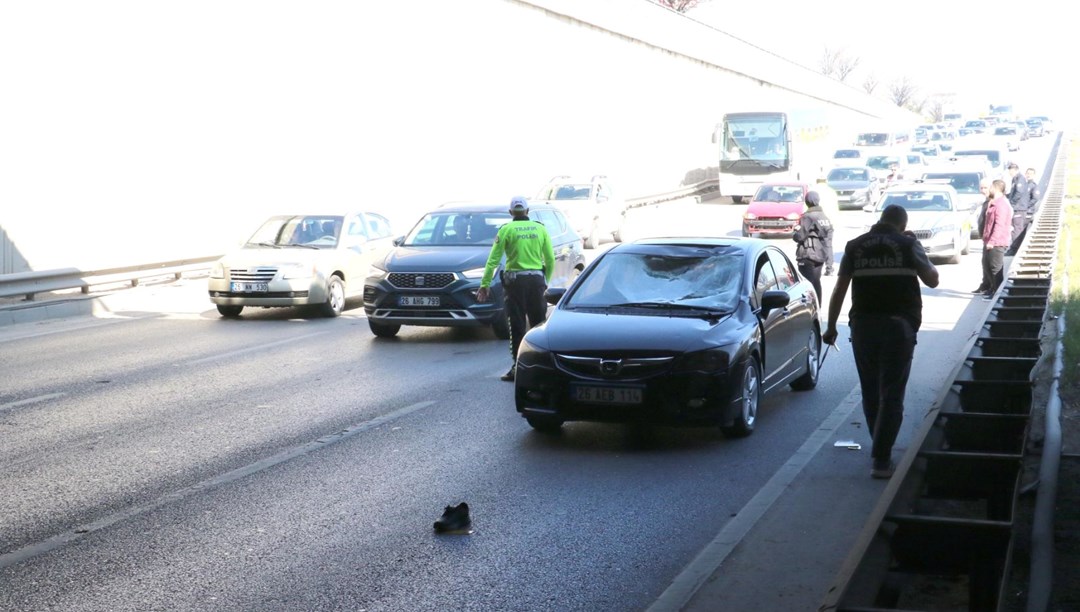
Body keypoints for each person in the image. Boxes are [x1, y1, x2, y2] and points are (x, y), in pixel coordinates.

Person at [823, 204, 940, 479]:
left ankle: (879, 446)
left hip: (863, 326)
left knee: (871, 390)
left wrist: (830, 327)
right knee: (892, 392)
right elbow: (933, 280)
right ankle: (881, 458)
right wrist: (914, 245)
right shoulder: (908, 245)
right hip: (899, 327)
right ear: (902, 224)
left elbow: (840, 288)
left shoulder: (855, 246)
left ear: (881, 220)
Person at [476, 196, 556, 382]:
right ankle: (541, 366)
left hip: (515, 284)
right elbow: (550, 259)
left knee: (517, 324)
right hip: (537, 281)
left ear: (511, 212)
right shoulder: (540, 228)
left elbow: (493, 261)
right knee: (539, 325)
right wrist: (545, 281)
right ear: (528, 211)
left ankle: (518, 366)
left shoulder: (506, 230)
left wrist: (485, 284)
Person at [792, 191, 833, 304]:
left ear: (807, 202)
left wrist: (794, 233)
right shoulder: (825, 218)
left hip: (807, 255)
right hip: (820, 257)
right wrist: (829, 264)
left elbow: (800, 236)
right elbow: (828, 242)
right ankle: (818, 307)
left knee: (807, 284)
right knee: (816, 282)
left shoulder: (808, 217)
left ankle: (809, 309)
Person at [981, 179, 1014, 300]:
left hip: (997, 242)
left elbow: (999, 225)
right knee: (987, 266)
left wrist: (992, 241)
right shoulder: (995, 202)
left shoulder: (1001, 204)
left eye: (989, 188)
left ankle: (998, 295)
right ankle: (993, 290)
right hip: (990, 241)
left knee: (996, 269)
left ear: (994, 188)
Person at [972, 178, 994, 294]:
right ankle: (985, 284)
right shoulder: (985, 201)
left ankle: (991, 287)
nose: (983, 190)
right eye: (981, 188)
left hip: (991, 238)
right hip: (985, 237)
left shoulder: (993, 201)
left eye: (985, 188)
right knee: (984, 263)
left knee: (989, 264)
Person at [1006, 163, 1031, 255]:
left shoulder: (1020, 179)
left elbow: (1019, 193)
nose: (1009, 173)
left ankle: (1015, 249)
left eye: (1010, 171)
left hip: (1019, 208)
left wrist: (1011, 203)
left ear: (1015, 170)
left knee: (1017, 229)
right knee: (1015, 228)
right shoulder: (1015, 179)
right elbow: (1013, 192)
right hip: (1017, 207)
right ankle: (1014, 247)